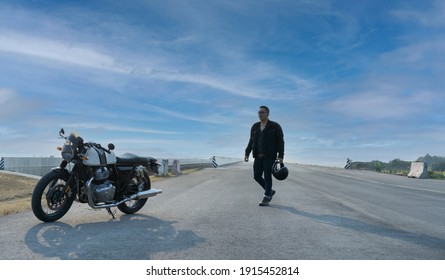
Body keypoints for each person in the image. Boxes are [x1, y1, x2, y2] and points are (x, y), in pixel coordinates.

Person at [244, 106, 285, 206]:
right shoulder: (255, 126)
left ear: (267, 114)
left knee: (267, 176)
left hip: (269, 156)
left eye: (262, 112)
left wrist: (281, 156)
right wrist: (247, 153)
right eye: (259, 112)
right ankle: (269, 191)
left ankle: (266, 197)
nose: (260, 114)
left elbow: (280, 142)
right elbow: (251, 141)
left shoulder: (275, 126)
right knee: (256, 176)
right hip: (257, 156)